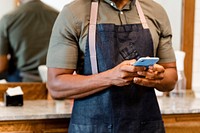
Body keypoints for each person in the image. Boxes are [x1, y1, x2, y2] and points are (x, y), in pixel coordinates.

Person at [46, 0, 178, 132]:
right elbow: (56, 86)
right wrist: (110, 78)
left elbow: (171, 78)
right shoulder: (73, 14)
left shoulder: (156, 12)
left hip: (145, 127)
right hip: (93, 128)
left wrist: (156, 77)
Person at [0, 0, 58, 82]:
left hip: (23, 80)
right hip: (53, 78)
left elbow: (2, 65)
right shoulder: (58, 15)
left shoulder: (8, 18)